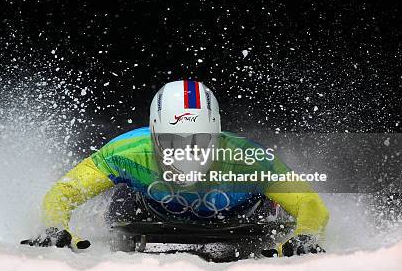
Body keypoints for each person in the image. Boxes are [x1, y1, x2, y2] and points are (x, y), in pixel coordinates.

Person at [21, 80, 329, 257]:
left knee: (279, 206)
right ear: (154, 134)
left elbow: (308, 203)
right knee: (119, 199)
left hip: (243, 218)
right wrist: (53, 225)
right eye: (172, 141)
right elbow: (66, 191)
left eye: (199, 140)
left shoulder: (248, 159)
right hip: (149, 212)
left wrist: (307, 234)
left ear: (217, 135)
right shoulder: (126, 152)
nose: (186, 151)